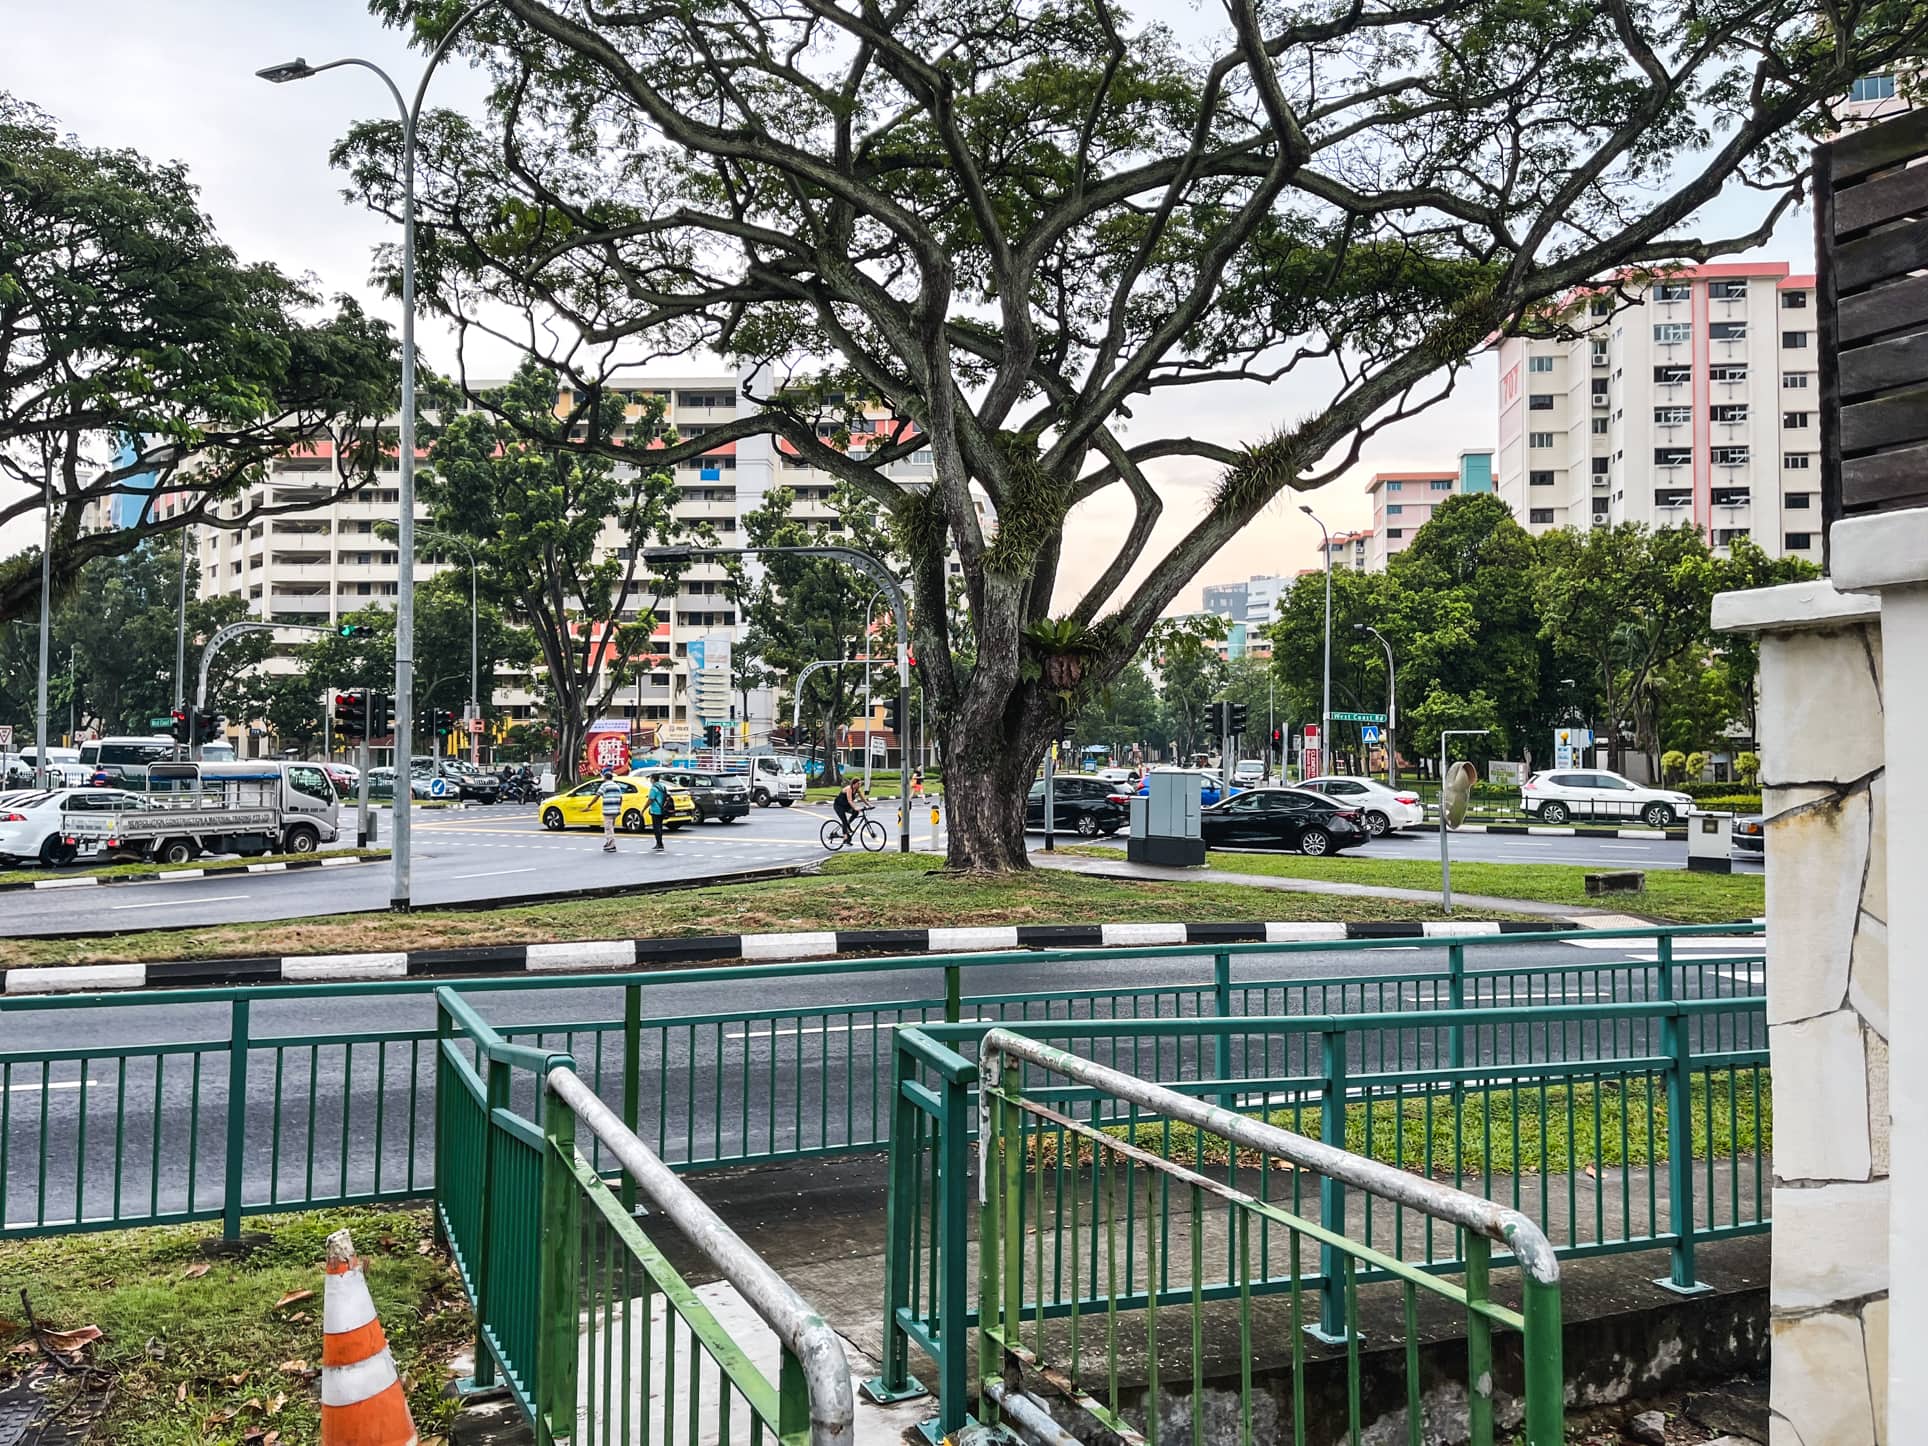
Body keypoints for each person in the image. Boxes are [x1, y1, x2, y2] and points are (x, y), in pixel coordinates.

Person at [834, 774, 870, 841]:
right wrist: (855, 807)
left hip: (846, 806)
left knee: (856, 813)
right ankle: (845, 838)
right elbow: (850, 801)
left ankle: (847, 825)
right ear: (854, 784)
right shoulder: (849, 789)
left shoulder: (857, 790)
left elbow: (863, 799)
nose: (859, 785)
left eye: (860, 784)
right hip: (838, 806)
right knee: (844, 821)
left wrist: (869, 805)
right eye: (858, 783)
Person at [599, 765, 626, 852]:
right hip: (615, 810)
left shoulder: (604, 785)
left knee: (608, 828)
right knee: (611, 827)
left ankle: (611, 845)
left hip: (608, 811)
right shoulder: (617, 786)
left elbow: (597, 795)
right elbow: (621, 798)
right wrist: (619, 808)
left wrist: (589, 805)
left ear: (605, 777)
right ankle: (608, 843)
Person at [646, 773, 670, 850]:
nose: (650, 780)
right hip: (662, 809)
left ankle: (659, 844)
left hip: (656, 810)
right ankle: (659, 843)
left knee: (656, 828)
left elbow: (651, 799)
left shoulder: (653, 788)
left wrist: (643, 809)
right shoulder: (662, 786)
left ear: (653, 779)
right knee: (660, 827)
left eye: (650, 778)